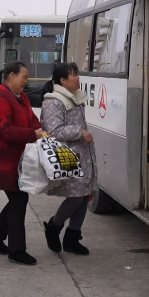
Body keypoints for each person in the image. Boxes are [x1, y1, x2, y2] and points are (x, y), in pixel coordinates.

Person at [0, 61, 45, 266]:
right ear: (11, 76)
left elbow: (32, 121)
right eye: (23, 77)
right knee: (19, 200)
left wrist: (40, 131)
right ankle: (16, 250)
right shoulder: (0, 98)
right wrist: (32, 134)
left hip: (20, 159)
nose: (26, 81)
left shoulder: (21, 97)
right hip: (3, 160)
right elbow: (4, 131)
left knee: (18, 200)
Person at [40, 63, 97, 255]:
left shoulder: (75, 98)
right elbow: (54, 131)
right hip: (67, 157)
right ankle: (54, 226)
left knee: (84, 196)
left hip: (83, 155)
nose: (78, 78)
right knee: (75, 198)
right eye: (74, 75)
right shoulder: (54, 101)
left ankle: (72, 238)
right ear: (63, 80)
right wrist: (80, 132)